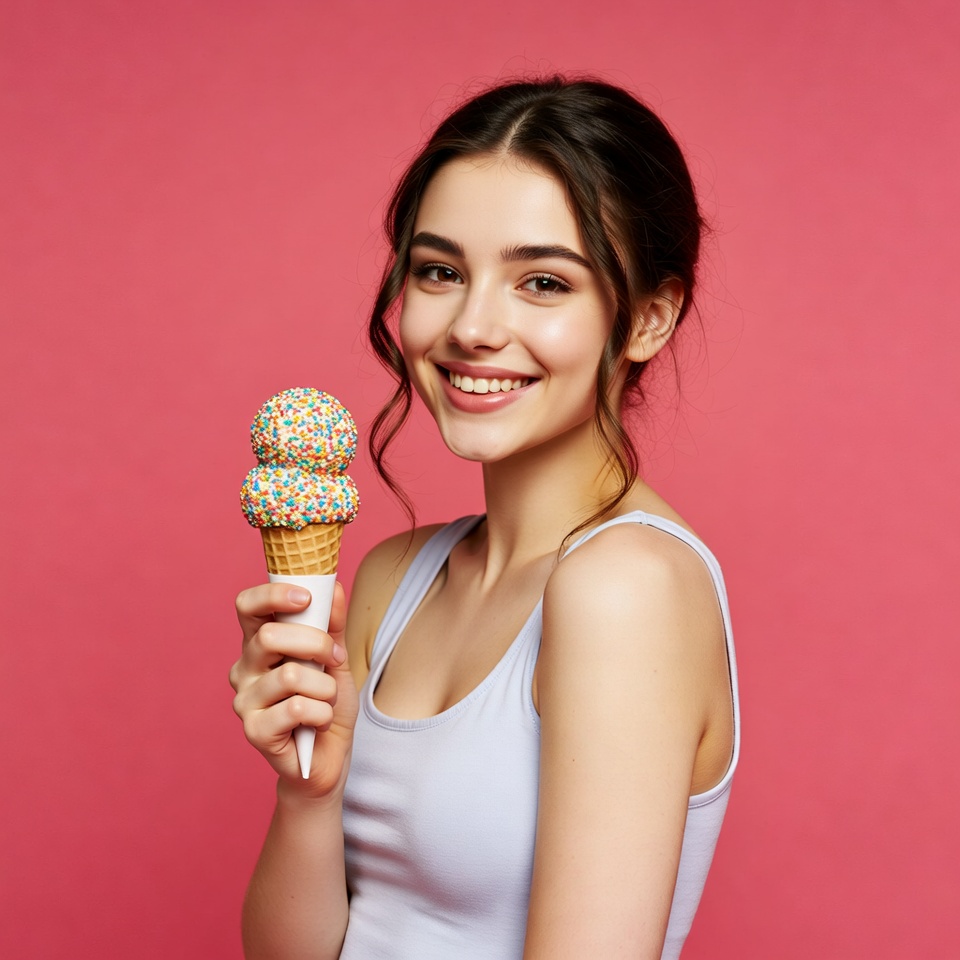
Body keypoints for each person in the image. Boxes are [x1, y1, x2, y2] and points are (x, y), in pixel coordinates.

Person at [230, 76, 740, 960]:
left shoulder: (627, 589)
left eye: (542, 282)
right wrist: (307, 793)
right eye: (441, 271)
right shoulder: (393, 579)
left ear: (648, 320)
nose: (472, 326)